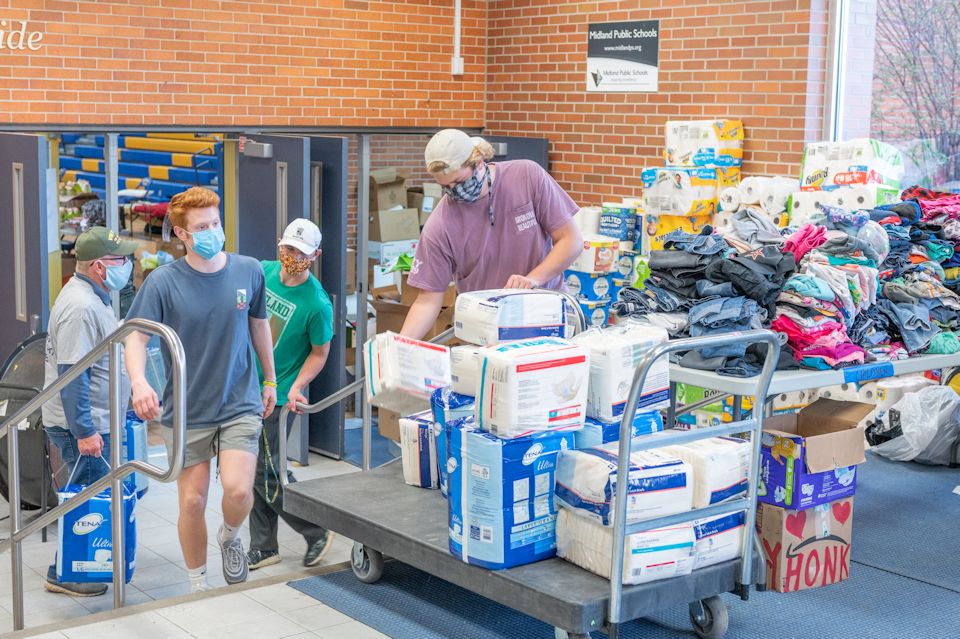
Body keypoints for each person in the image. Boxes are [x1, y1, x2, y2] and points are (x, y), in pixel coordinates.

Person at [124, 186, 277, 593]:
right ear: (181, 234)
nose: (212, 232)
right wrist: (139, 382)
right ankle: (198, 584)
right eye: (202, 227)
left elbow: (259, 326)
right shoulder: (163, 282)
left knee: (239, 489)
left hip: (239, 399)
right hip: (188, 407)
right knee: (192, 501)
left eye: (216, 223)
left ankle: (230, 534)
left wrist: (270, 377)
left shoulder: (249, 270)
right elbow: (135, 338)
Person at [400, 129, 582, 340]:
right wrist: (399, 346)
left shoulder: (526, 177)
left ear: (478, 162)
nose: (455, 191)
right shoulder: (440, 226)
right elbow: (427, 300)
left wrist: (533, 279)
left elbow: (571, 240)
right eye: (446, 187)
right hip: (488, 333)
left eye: (459, 182)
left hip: (548, 318)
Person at [41, 226, 137, 596]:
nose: (127, 265)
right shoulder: (81, 307)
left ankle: (84, 566)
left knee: (94, 496)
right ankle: (65, 573)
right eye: (121, 260)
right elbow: (72, 375)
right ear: (100, 266)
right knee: (88, 500)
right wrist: (83, 431)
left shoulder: (93, 296)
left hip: (95, 420)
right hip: (80, 426)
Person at [247, 219, 335, 571]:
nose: (292, 256)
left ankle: (315, 529)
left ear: (316, 255)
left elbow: (319, 352)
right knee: (257, 468)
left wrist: (297, 386)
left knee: (266, 473)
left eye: (300, 251)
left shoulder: (317, 303)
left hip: (280, 395)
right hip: (246, 387)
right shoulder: (263, 273)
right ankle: (264, 546)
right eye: (287, 248)